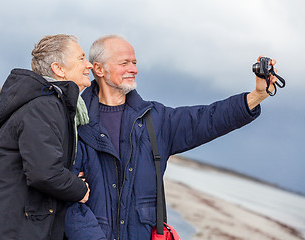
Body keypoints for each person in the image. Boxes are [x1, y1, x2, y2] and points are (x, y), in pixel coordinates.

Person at [72, 35, 279, 240]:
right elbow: (62, 194)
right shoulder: (75, 121)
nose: (133, 69)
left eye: (134, 62)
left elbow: (207, 118)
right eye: (124, 63)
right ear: (98, 69)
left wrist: (256, 96)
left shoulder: (155, 120)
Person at [0, 34, 93, 240]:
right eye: (81, 58)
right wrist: (79, 188)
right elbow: (45, 172)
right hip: (4, 229)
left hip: (10, 225)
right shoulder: (44, 106)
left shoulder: (51, 104)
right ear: (58, 69)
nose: (89, 65)